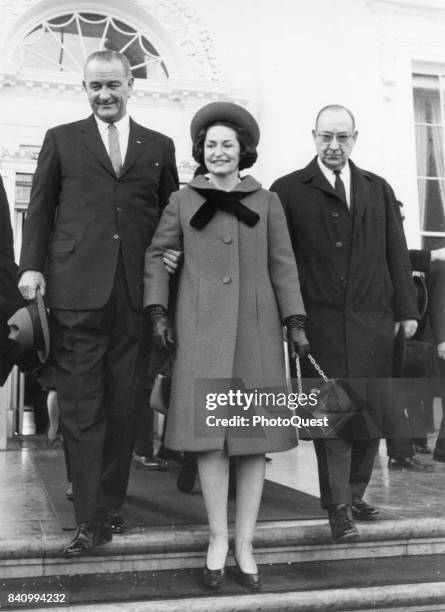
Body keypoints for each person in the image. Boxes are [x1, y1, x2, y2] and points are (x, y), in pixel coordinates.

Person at [17, 50, 179, 557]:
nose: (104, 94)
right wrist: (31, 266)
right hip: (75, 293)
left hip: (134, 295)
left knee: (125, 404)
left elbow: (168, 213)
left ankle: (109, 505)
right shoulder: (62, 139)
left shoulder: (159, 145)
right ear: (85, 90)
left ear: (132, 86)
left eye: (113, 85)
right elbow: (40, 207)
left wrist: (170, 256)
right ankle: (88, 518)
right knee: (82, 405)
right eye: (94, 87)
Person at [143, 101, 308, 590]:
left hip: (256, 336)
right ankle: (218, 538)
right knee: (210, 440)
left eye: (227, 145)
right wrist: (157, 310)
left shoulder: (267, 201)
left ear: (243, 152)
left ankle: (245, 543)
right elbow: (157, 254)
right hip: (200, 332)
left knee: (253, 442)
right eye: (210, 144)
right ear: (202, 150)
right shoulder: (182, 200)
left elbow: (284, 265)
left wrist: (295, 320)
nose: (218, 152)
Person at [271, 104, 418, 542]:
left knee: (369, 413)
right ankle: (337, 508)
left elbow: (397, 249)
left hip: (375, 320)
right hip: (320, 325)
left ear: (355, 138)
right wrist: (290, 317)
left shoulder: (377, 188)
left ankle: (354, 495)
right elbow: (281, 262)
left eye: (343, 137)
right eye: (326, 137)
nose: (334, 146)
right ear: (312, 136)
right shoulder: (288, 190)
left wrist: (407, 311)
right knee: (332, 419)